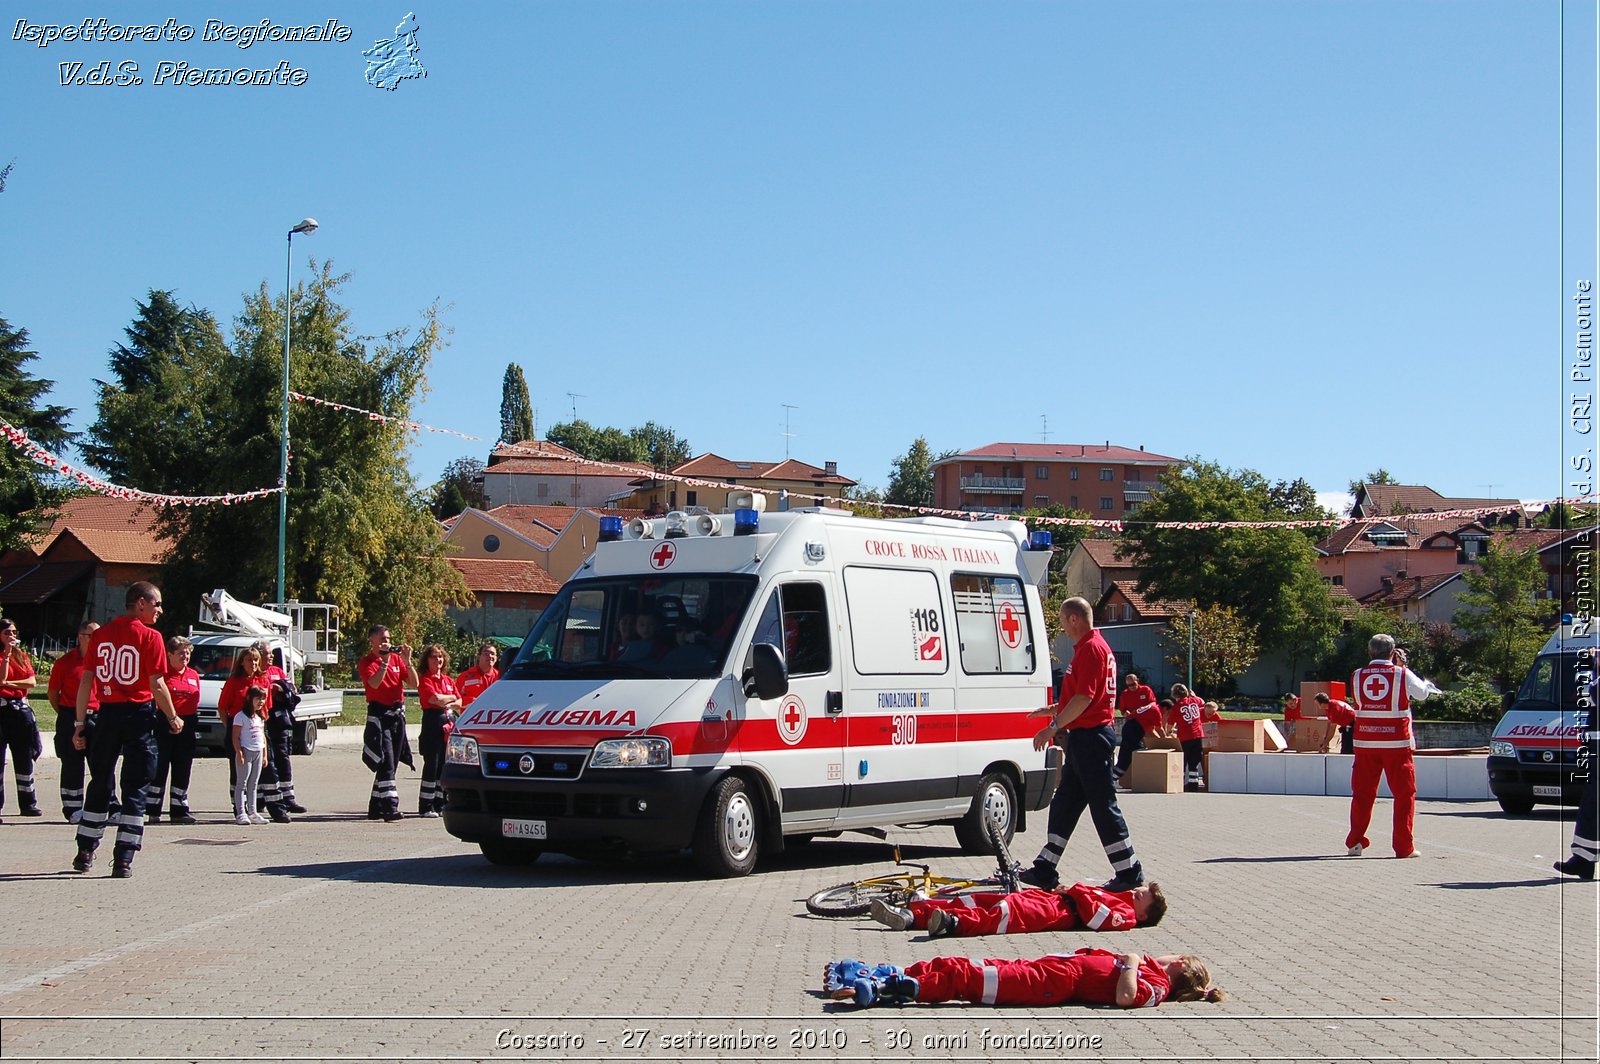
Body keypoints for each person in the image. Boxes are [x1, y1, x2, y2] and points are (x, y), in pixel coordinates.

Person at [1021, 597, 1145, 892]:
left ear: (1073, 619)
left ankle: (1129, 871)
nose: (1063, 628)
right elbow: (1085, 696)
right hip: (1083, 738)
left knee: (1103, 806)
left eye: (1063, 622)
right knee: (1065, 803)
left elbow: (1085, 699)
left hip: (1091, 738)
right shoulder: (1092, 648)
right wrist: (1053, 709)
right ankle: (1045, 868)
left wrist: (1053, 727)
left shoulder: (1091, 649)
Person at [71, 581, 184, 878]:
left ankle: (85, 850)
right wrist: (172, 717)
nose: (160, 610)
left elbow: (87, 682)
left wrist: (80, 724)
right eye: (156, 604)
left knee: (100, 781)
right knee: (135, 785)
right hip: (137, 714)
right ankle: (123, 857)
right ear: (141, 603)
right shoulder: (150, 636)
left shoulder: (101, 635)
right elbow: (156, 683)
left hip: (107, 714)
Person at [1321, 635, 1439, 858]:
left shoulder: (1357, 676)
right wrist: (1405, 669)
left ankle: (1355, 842)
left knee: (1362, 794)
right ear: (1393, 653)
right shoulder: (1402, 674)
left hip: (1365, 743)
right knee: (1404, 795)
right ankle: (1404, 847)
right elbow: (1422, 695)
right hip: (1397, 744)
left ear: (1369, 653)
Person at [822, 948, 1225, 1009]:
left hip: (1054, 985)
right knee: (964, 964)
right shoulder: (1155, 970)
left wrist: (1132, 962)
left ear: (1181, 965)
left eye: (1177, 955)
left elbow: (1125, 997)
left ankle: (889, 989)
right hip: (1054, 969)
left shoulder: (1157, 986)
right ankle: (888, 973)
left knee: (972, 981)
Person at [869, 881, 1167, 938]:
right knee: (983, 900)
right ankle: (912, 915)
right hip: (1050, 901)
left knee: (1000, 917)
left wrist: (1077, 890)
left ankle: (950, 923)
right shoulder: (1119, 897)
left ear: (1142, 914)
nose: (1138, 891)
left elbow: (1096, 917)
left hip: (1056, 915)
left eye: (1144, 896)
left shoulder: (1126, 917)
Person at [217, 645, 287, 822]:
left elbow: (267, 707)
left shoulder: (262, 680)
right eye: (249, 660)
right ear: (241, 662)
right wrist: (232, 730)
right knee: (239, 773)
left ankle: (274, 808)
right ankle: (239, 810)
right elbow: (223, 708)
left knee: (267, 767)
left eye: (256, 660)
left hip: (258, 728)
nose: (253, 663)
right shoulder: (234, 681)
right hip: (239, 730)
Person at [358, 624, 416, 822]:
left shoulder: (397, 660)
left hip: (397, 715)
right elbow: (374, 683)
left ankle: (375, 806)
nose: (387, 642)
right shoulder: (367, 662)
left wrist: (408, 662)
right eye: (382, 639)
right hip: (379, 715)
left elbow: (414, 683)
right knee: (386, 760)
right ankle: (390, 807)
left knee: (392, 762)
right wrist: (383, 663)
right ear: (371, 641)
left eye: (388, 639)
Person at [48, 621, 99, 821]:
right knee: (72, 763)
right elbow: (53, 693)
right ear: (81, 636)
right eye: (91, 635)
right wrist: (66, 713)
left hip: (96, 715)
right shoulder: (66, 662)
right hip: (70, 715)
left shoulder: (103, 662)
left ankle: (107, 805)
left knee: (101, 762)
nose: (96, 639)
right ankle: (72, 808)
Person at [145, 635, 199, 824]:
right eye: (180, 653)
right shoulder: (163, 674)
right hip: (165, 722)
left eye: (187, 653)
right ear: (169, 655)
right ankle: (153, 809)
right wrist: (171, 718)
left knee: (183, 767)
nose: (185, 656)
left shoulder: (193, 674)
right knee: (160, 767)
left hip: (188, 723)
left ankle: (179, 809)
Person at [256, 640, 306, 817]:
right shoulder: (254, 673)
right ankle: (260, 798)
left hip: (280, 722)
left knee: (282, 757)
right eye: (266, 653)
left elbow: (291, 690)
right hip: (262, 722)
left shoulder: (277, 671)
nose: (270, 656)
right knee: (263, 761)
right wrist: (271, 690)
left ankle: (288, 797)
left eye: (270, 653)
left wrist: (282, 688)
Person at [0, 617, 43, 821]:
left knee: (24, 758)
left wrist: (8, 683)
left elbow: (32, 682)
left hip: (20, 712)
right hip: (1, 711)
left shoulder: (22, 656)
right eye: (7, 632)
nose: (12, 636)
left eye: (14, 632)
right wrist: (6, 657)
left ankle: (28, 803)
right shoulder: (4, 657)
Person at [416, 644, 462, 817]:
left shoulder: (448, 680)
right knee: (432, 764)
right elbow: (435, 699)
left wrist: (447, 700)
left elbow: (460, 701)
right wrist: (450, 699)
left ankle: (439, 802)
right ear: (427, 660)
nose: (438, 660)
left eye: (440, 657)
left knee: (444, 765)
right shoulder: (425, 680)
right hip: (432, 723)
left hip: (449, 724)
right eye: (434, 657)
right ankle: (425, 805)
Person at [1112, 672, 1163, 786]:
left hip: (1140, 724)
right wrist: (1127, 713)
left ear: (1138, 681)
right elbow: (1123, 710)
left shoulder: (1146, 691)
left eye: (1133, 684)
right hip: (1133, 724)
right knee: (1132, 750)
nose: (1132, 687)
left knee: (1129, 750)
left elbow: (1152, 705)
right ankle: (1115, 775)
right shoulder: (1125, 694)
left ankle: (1115, 774)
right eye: (1129, 685)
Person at [233, 686, 269, 825]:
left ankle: (253, 812)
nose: (261, 702)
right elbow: (235, 736)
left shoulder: (260, 717)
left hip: (258, 752)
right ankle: (241, 813)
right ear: (249, 699)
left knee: (253, 784)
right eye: (258, 698)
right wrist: (239, 752)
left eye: (263, 699)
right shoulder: (240, 716)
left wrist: (265, 755)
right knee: (241, 783)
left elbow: (262, 737)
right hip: (246, 751)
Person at [456, 643, 500, 708]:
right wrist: (472, 702)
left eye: (492, 654)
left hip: (494, 715)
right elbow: (456, 699)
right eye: (486, 654)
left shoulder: (501, 677)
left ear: (496, 658)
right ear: (479, 657)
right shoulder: (464, 677)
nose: (490, 656)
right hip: (471, 716)